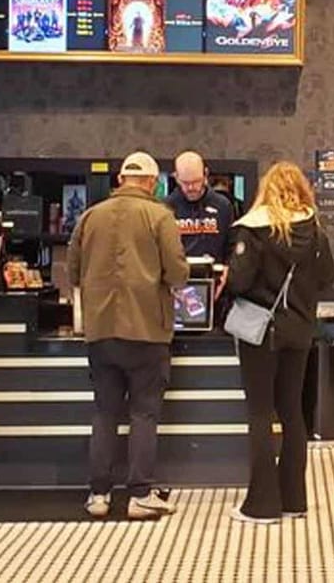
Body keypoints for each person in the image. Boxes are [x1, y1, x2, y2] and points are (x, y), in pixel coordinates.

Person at [68, 151, 189, 521]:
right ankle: (139, 494)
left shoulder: (90, 216)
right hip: (148, 332)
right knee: (143, 413)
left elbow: (72, 271)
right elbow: (178, 274)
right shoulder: (160, 216)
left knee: (105, 412)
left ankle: (99, 495)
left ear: (121, 178)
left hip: (101, 332)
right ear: (152, 182)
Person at [225, 161, 334, 525]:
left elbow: (240, 283)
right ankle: (294, 500)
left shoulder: (253, 229)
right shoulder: (316, 232)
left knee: (259, 413)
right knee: (292, 412)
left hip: (261, 332)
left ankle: (261, 505)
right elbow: (328, 277)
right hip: (300, 331)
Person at [167, 150, 235, 303]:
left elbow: (231, 245)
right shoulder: (165, 208)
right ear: (176, 177)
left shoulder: (223, 205)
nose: (191, 187)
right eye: (185, 182)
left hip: (215, 286)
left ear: (205, 174)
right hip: (177, 286)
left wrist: (228, 270)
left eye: (196, 181)